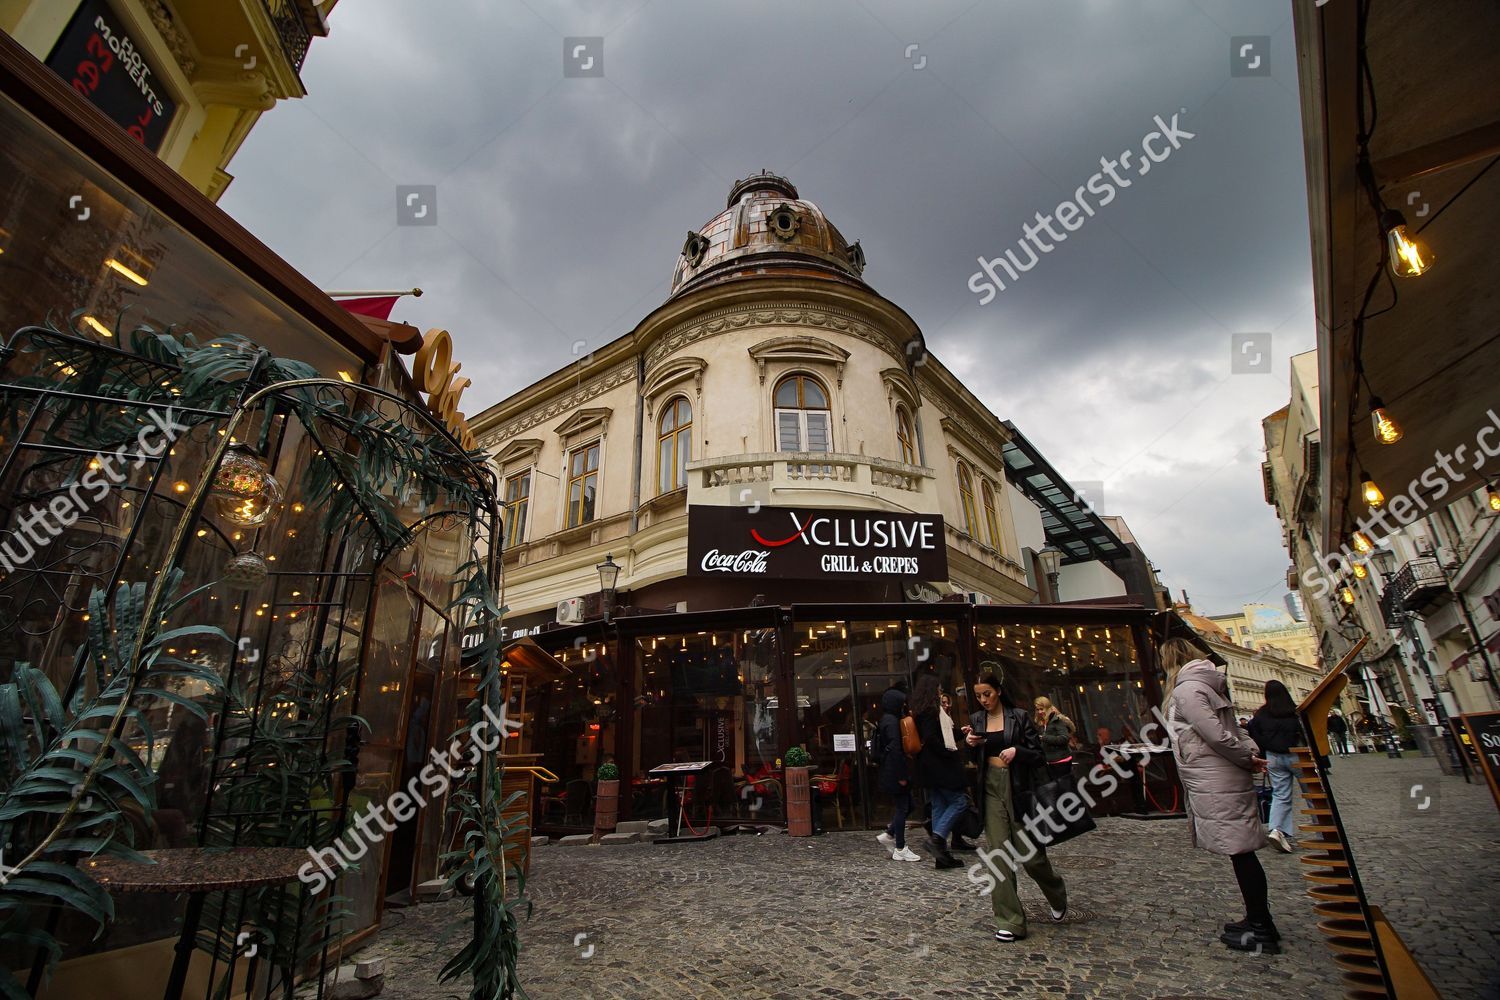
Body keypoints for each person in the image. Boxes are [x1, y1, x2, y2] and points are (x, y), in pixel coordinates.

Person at [1161, 638, 1278, 954]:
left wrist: (1246, 757)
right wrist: (1249, 753)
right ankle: (1258, 919)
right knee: (1241, 850)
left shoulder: (1187, 690)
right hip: (1220, 773)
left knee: (1240, 851)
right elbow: (1234, 730)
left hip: (1215, 776)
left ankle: (1261, 928)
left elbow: (1215, 734)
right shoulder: (1208, 684)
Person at [964, 671, 1068, 942]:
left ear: (998, 691)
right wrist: (970, 744)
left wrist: (1017, 751)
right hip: (990, 788)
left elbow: (1038, 755)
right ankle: (1010, 921)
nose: (983, 700)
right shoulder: (977, 720)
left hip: (1018, 788)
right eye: (978, 696)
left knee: (1031, 857)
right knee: (998, 854)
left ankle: (1056, 892)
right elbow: (974, 757)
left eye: (987, 693)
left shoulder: (1019, 717)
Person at [909, 674, 968, 869]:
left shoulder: (922, 710)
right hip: (939, 765)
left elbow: (942, 735)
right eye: (938, 688)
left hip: (929, 766)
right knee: (959, 801)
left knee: (939, 806)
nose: (940, 691)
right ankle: (937, 839)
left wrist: (960, 733)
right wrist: (947, 753)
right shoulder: (931, 711)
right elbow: (932, 738)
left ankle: (941, 857)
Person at [1248, 680, 1302, 854]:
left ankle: (1277, 830)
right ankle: (1324, 829)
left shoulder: (1261, 714)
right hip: (1297, 754)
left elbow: (1255, 735)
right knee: (1313, 793)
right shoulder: (1295, 712)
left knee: (1280, 794)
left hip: (1273, 757)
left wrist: (1264, 755)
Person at [873, 686, 920, 862]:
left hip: (891, 769)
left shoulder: (886, 720)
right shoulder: (892, 722)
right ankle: (900, 847)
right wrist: (901, 775)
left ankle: (889, 834)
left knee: (909, 805)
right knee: (903, 807)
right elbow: (895, 749)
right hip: (895, 771)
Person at [1034, 696, 1076, 781]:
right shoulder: (1044, 722)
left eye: (1041, 709)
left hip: (1061, 761)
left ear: (1047, 708)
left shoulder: (1057, 720)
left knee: (1064, 787)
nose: (1039, 712)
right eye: (1037, 709)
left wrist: (1044, 738)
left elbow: (1064, 738)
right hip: (1051, 762)